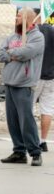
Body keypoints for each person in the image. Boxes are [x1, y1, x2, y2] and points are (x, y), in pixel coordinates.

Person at [0, 7, 45, 166]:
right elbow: (0, 54)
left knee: (26, 120)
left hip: (24, 84)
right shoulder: (12, 36)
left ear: (27, 19)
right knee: (13, 120)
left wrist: (11, 53)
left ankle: (35, 152)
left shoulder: (37, 37)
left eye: (18, 16)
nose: (15, 19)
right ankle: (19, 151)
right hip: (10, 82)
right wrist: (15, 53)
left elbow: (27, 53)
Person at [35, 15, 54, 152]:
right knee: (47, 109)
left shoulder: (36, 32)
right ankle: (43, 141)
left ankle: (30, 139)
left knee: (27, 108)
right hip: (51, 76)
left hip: (35, 76)